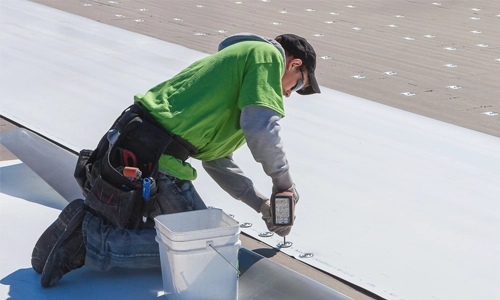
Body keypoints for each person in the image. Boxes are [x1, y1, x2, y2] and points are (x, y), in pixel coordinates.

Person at [31, 33, 321, 287]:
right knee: (209, 252)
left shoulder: (233, 67)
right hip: (157, 159)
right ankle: (92, 242)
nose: (287, 94)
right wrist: (284, 184)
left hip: (132, 142)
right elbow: (261, 128)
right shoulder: (267, 55)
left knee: (171, 234)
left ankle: (87, 225)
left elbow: (218, 162)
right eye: (296, 86)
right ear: (294, 64)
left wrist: (261, 204)